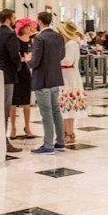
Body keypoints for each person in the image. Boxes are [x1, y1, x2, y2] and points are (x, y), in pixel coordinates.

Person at [28, 11, 66, 154]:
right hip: (55, 77)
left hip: (42, 78)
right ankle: (60, 141)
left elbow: (36, 61)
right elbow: (61, 56)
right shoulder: (58, 36)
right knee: (55, 110)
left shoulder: (39, 38)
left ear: (40, 22)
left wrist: (26, 63)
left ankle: (48, 144)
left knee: (46, 112)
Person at [0, 9, 23, 153]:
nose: (15, 21)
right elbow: (14, 55)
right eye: (14, 18)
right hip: (6, 75)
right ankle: (3, 142)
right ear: (8, 19)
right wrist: (19, 65)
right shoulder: (9, 34)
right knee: (4, 110)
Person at [58, 21, 88, 144]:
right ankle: (66, 131)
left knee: (69, 104)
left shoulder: (71, 44)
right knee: (65, 105)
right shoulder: (69, 44)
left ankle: (69, 132)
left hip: (69, 77)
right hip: (66, 76)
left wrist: (54, 60)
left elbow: (68, 61)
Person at [9, 17, 37, 141]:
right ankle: (13, 127)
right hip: (16, 70)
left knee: (26, 100)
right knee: (13, 101)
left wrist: (30, 59)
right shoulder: (15, 40)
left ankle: (27, 126)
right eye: (27, 27)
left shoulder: (32, 41)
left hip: (26, 71)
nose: (30, 29)